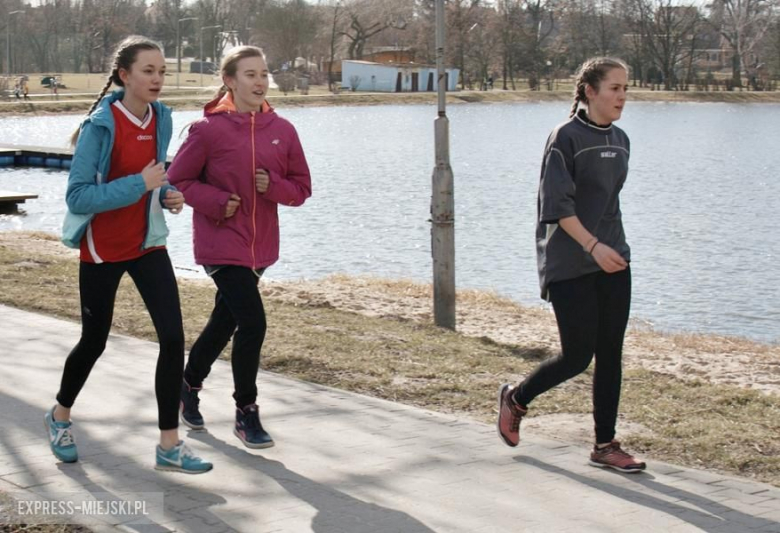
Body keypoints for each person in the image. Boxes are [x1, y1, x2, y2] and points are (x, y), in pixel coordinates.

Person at [46, 35, 212, 474]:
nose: (158, 79)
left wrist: (170, 193)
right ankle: (60, 415)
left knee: (173, 339)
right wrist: (141, 184)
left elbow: (157, 178)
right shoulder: (99, 126)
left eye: (162, 71)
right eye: (148, 71)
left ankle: (169, 445)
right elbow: (78, 197)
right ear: (125, 76)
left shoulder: (161, 118)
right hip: (102, 249)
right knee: (94, 341)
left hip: (147, 244)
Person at [497, 57, 646, 473]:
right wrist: (592, 246)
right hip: (570, 260)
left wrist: (612, 249)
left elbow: (608, 203)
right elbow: (557, 206)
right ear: (590, 91)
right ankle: (517, 397)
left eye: (625, 89)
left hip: (613, 258)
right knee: (578, 356)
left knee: (611, 354)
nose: (622, 97)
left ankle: (605, 445)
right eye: (614, 88)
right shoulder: (565, 138)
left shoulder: (621, 139)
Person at [167, 45, 311, 449]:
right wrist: (217, 203)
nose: (260, 81)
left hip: (260, 246)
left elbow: (301, 189)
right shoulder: (208, 130)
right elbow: (178, 180)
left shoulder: (283, 130)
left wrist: (274, 187)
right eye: (250, 74)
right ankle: (246, 411)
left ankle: (187, 384)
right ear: (230, 80)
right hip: (219, 241)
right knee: (253, 322)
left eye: (264, 74)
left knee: (226, 320)